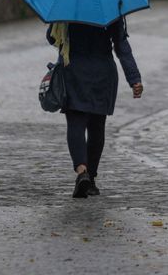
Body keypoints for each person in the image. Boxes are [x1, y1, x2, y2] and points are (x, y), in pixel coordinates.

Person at [47, 19, 142, 198]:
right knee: (97, 127)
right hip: (103, 74)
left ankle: (82, 171)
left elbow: (52, 39)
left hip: (73, 71)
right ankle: (90, 180)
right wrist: (134, 78)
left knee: (76, 123)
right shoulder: (110, 7)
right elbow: (121, 45)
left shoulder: (67, 7)